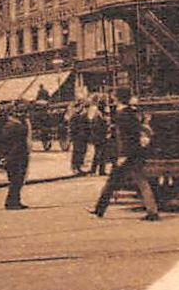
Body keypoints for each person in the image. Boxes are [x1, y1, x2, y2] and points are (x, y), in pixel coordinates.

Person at [90, 87, 161, 221]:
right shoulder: (128, 112)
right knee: (141, 182)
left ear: (118, 98)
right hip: (133, 153)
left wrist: (122, 155)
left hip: (127, 154)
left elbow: (124, 137)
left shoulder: (123, 114)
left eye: (114, 96)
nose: (112, 98)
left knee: (113, 182)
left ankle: (99, 209)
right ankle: (152, 212)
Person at [0, 104, 32, 210]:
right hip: (16, 156)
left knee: (16, 179)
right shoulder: (16, 126)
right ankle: (12, 201)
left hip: (13, 156)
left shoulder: (9, 125)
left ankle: (15, 200)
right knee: (17, 179)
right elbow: (16, 145)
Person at [87, 98, 113, 176]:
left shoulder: (100, 113)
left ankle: (101, 170)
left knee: (102, 154)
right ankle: (93, 170)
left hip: (100, 136)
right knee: (98, 154)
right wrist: (106, 125)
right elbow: (97, 125)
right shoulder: (98, 114)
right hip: (99, 136)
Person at [68, 103, 91, 175]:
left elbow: (87, 126)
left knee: (82, 151)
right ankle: (75, 166)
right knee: (77, 151)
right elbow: (72, 128)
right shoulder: (74, 116)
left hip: (83, 137)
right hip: (77, 137)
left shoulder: (84, 116)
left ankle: (79, 166)